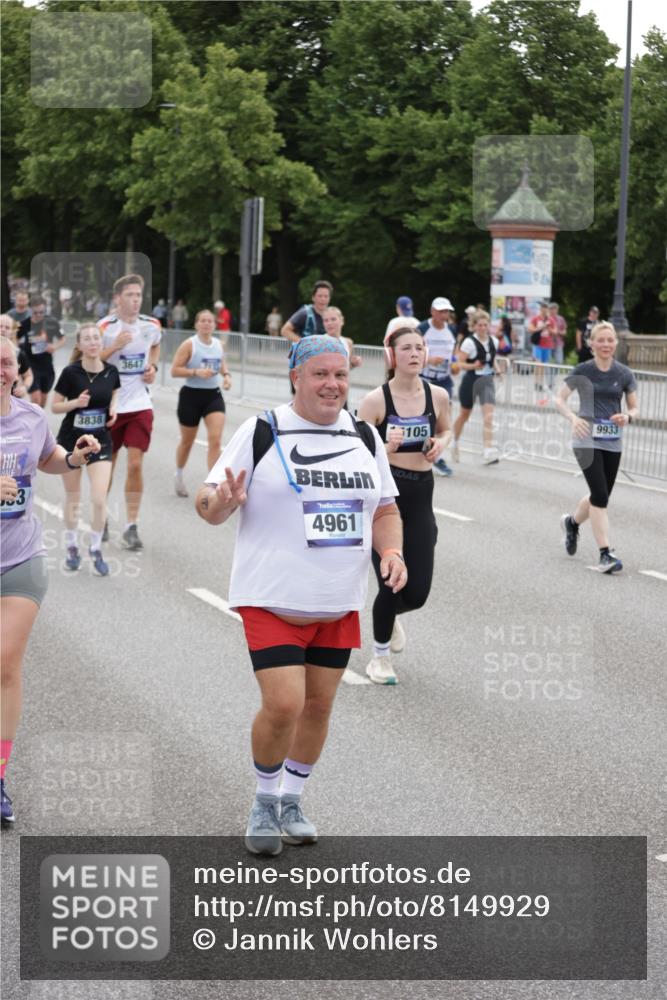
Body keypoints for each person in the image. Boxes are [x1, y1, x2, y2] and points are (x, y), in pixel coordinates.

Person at [196, 335, 406, 855]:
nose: (332, 384)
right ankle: (265, 800)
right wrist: (221, 502)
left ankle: (293, 798)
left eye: (340, 374)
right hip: (271, 598)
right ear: (296, 377)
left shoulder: (364, 435)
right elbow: (207, 501)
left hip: (337, 600)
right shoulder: (262, 429)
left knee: (318, 708)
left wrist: (391, 553)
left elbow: (384, 508)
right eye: (319, 374)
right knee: (285, 704)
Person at [1, 335, 100, 825]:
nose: (0, 370)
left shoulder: (31, 417)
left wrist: (76, 457)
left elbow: (48, 459)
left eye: (6, 363)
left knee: (5, 663)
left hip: (20, 558)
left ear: (18, 370)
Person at [357, 325, 451, 684]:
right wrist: (384, 445)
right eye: (407, 348)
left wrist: (440, 443)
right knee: (391, 585)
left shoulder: (438, 395)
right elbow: (356, 455)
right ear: (392, 355)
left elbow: (444, 430)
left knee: (418, 592)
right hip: (384, 498)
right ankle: (379, 659)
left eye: (420, 347)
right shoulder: (375, 401)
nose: (415, 353)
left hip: (422, 495)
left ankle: (389, 618)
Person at [555, 322, 638, 573]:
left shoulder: (624, 374)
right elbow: (559, 398)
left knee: (598, 496)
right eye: (600, 340)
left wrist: (628, 416)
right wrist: (573, 418)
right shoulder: (583, 370)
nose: (605, 344)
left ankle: (571, 522)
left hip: (612, 441)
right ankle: (605, 554)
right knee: (600, 497)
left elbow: (634, 407)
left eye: (610, 340)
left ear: (616, 343)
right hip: (585, 439)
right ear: (591, 344)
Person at [98, 273, 161, 550]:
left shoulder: (151, 325)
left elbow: (155, 346)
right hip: (111, 404)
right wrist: (115, 346)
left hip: (139, 404)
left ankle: (131, 526)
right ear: (117, 298)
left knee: (135, 464)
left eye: (138, 295)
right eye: (129, 295)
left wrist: (153, 368)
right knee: (106, 466)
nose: (135, 300)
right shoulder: (106, 326)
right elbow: (89, 358)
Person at [51, 324, 120, 576]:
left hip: (100, 441)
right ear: (79, 345)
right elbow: (55, 407)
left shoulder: (111, 371)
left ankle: (95, 548)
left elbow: (114, 395)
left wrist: (113, 410)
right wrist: (75, 403)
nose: (93, 342)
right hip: (71, 441)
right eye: (87, 339)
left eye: (96, 338)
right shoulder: (71, 373)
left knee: (99, 499)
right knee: (73, 496)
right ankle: (71, 546)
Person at [170, 309, 231, 496]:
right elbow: (174, 370)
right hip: (191, 396)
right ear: (196, 324)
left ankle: (213, 485)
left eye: (209, 321)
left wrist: (226, 376)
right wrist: (196, 372)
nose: (206, 324)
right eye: (202, 321)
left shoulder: (219, 344)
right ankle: (179, 474)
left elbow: (221, 364)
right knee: (187, 442)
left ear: (214, 325)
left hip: (213, 395)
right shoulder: (189, 345)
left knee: (215, 440)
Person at [451, 310, 506, 465]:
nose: (482, 328)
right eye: (479, 325)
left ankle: (488, 451)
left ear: (488, 326)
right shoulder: (468, 342)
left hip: (487, 380)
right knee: (464, 415)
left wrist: (499, 370)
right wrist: (473, 365)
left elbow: (492, 359)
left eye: (485, 325)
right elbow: (458, 363)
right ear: (474, 326)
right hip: (471, 380)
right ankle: (454, 442)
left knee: (488, 416)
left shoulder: (494, 341)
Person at [418, 297, 457, 477]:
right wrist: (428, 360)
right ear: (432, 311)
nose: (444, 315)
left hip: (444, 379)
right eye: (441, 311)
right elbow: (412, 351)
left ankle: (437, 455)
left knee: (444, 417)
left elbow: (454, 354)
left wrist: (455, 365)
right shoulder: (423, 328)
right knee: (425, 418)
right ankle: (421, 450)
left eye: (447, 311)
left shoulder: (452, 330)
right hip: (425, 377)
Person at [21, 297, 65, 408]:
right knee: (36, 399)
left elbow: (62, 339)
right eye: (35, 312)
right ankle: (33, 423)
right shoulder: (24, 324)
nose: (39, 315)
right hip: (30, 366)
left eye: (42, 312)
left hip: (47, 367)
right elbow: (14, 338)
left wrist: (54, 346)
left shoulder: (52, 322)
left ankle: (38, 421)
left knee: (43, 401)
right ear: (30, 310)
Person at [527, 301, 555, 398]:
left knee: (543, 366)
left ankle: (540, 383)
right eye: (543, 307)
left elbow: (555, 331)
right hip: (538, 344)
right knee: (538, 364)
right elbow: (530, 329)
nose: (544, 309)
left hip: (547, 345)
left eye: (546, 307)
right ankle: (537, 383)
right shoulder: (536, 318)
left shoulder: (550, 319)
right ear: (540, 309)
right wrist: (541, 327)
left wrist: (549, 328)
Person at [0, 316, 32, 398]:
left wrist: (24, 388)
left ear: (12, 332)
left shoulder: (18, 354)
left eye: (7, 327)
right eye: (0, 326)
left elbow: (28, 375)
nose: (3, 329)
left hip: (9, 401)